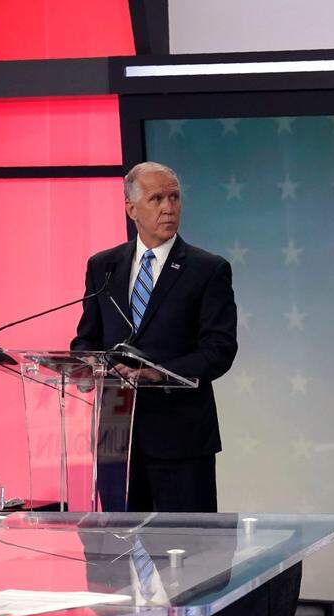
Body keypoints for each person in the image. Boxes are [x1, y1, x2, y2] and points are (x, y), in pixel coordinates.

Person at [73, 161, 238, 512]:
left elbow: (219, 349)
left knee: (187, 556)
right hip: (116, 436)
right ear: (131, 208)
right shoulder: (103, 266)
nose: (169, 207)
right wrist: (86, 364)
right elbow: (86, 339)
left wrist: (159, 372)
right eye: (157, 198)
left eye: (174, 197)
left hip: (181, 437)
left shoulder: (208, 269)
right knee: (120, 551)